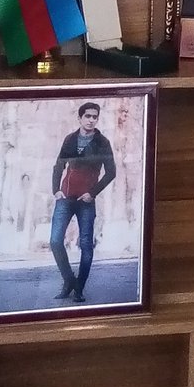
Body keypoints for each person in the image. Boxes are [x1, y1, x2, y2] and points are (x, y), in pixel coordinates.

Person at [48, 100, 117, 303]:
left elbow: (111, 172)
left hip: (86, 201)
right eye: (87, 116)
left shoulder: (102, 143)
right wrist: (56, 190)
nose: (91, 120)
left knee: (86, 244)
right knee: (55, 241)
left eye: (95, 117)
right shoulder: (70, 139)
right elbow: (59, 166)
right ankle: (69, 280)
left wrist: (92, 193)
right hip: (66, 197)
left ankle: (79, 288)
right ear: (80, 118)